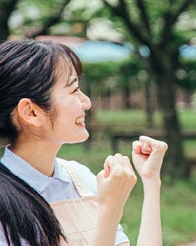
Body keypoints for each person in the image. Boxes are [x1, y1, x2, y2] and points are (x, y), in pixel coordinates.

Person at [0, 39, 168, 246]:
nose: (86, 102)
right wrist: (109, 211)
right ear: (31, 112)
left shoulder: (80, 178)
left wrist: (151, 181)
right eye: (73, 90)